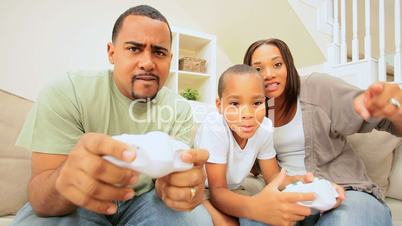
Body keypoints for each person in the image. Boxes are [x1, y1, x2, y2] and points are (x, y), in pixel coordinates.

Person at [11, 5, 212, 226]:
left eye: (159, 52)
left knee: (196, 220)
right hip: (77, 202)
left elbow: (175, 183)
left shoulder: (180, 109)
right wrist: (64, 178)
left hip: (145, 200)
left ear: (170, 59)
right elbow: (41, 200)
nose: (147, 62)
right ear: (111, 52)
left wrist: (179, 189)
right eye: (134, 49)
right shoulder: (68, 92)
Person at [243, 38, 402, 226]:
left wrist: (394, 106)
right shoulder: (254, 111)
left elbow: (388, 122)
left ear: (289, 66)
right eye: (258, 69)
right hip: (291, 194)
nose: (268, 74)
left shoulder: (317, 88)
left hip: (346, 191)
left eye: (277, 64)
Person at [195, 64, 335, 226]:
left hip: (231, 190)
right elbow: (217, 191)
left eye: (256, 103)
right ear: (220, 106)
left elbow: (273, 176)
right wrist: (254, 207)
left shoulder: (265, 127)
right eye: (235, 104)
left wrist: (300, 179)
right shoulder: (215, 127)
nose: (247, 114)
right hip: (202, 190)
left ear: (265, 102)